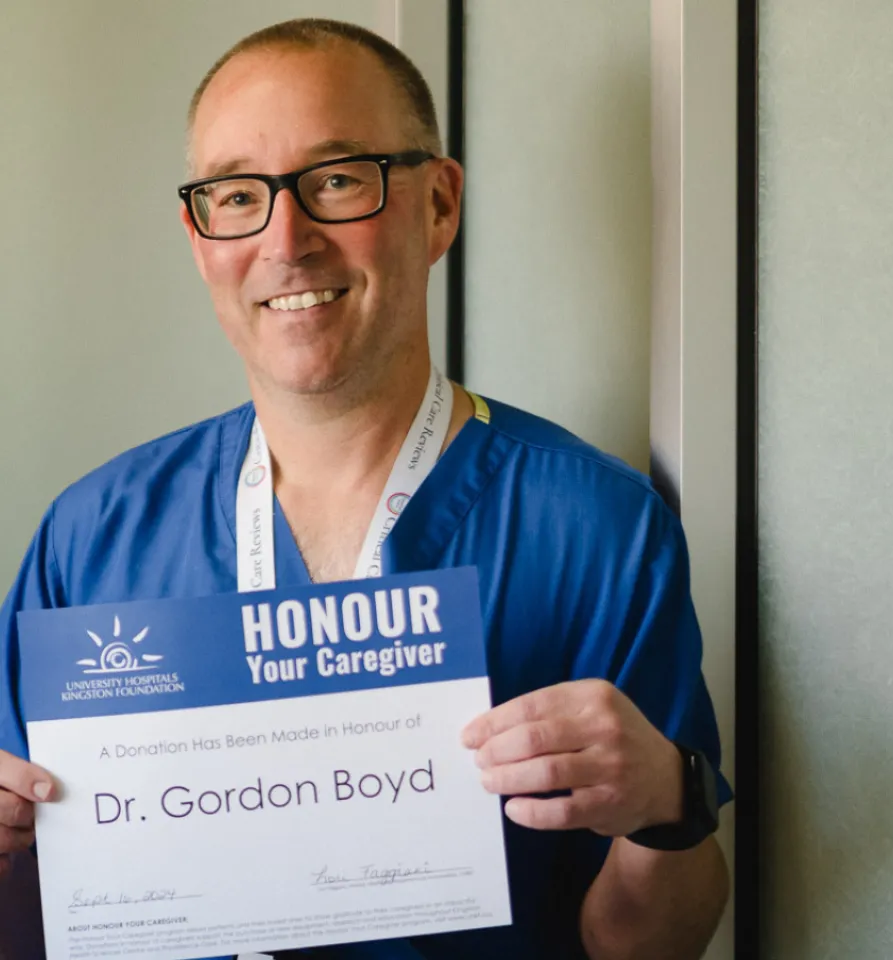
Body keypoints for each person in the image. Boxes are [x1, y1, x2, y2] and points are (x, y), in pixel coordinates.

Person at [0, 18, 731, 960]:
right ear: (198, 234)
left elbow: (648, 949)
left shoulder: (596, 529)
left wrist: (669, 807)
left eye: (337, 180)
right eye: (236, 194)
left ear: (438, 204)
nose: (286, 239)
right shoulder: (92, 536)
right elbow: (37, 918)